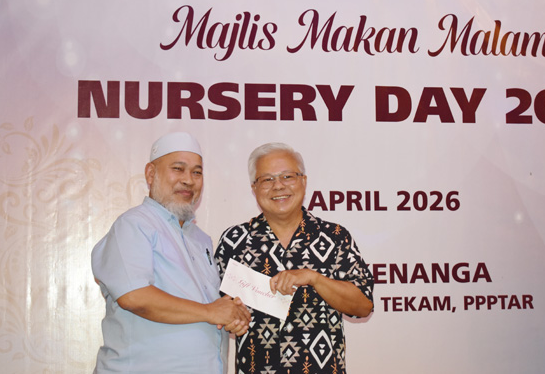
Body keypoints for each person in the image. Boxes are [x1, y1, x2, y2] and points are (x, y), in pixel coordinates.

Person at [91, 132, 251, 373]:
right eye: (178, 169)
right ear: (150, 173)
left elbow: (205, 309)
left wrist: (231, 315)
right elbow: (134, 296)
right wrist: (210, 312)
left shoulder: (201, 239)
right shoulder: (135, 224)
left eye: (197, 172)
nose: (188, 180)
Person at [215, 142, 374, 374]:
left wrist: (314, 278)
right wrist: (230, 318)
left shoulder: (335, 237)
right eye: (267, 179)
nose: (278, 186)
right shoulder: (234, 240)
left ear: (303, 181)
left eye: (287, 176)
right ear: (254, 188)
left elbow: (363, 305)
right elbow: (218, 306)